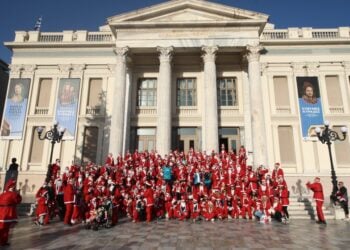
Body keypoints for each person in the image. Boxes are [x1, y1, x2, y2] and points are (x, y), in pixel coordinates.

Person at [0, 179, 22, 246]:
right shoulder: (13, 194)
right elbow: (18, 201)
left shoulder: (3, 194)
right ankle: (3, 241)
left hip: (1, 212)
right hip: (8, 212)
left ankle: (3, 241)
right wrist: (18, 194)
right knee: (6, 228)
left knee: (2, 228)